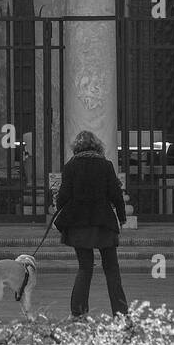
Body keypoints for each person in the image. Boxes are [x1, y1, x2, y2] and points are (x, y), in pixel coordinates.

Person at [54, 129, 129, 318]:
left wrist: (60, 208)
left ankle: (78, 313)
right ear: (97, 146)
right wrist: (122, 218)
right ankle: (120, 314)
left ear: (76, 148)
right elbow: (116, 194)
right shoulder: (106, 165)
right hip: (103, 222)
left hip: (79, 224)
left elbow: (63, 196)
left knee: (85, 267)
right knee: (112, 268)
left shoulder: (70, 167)